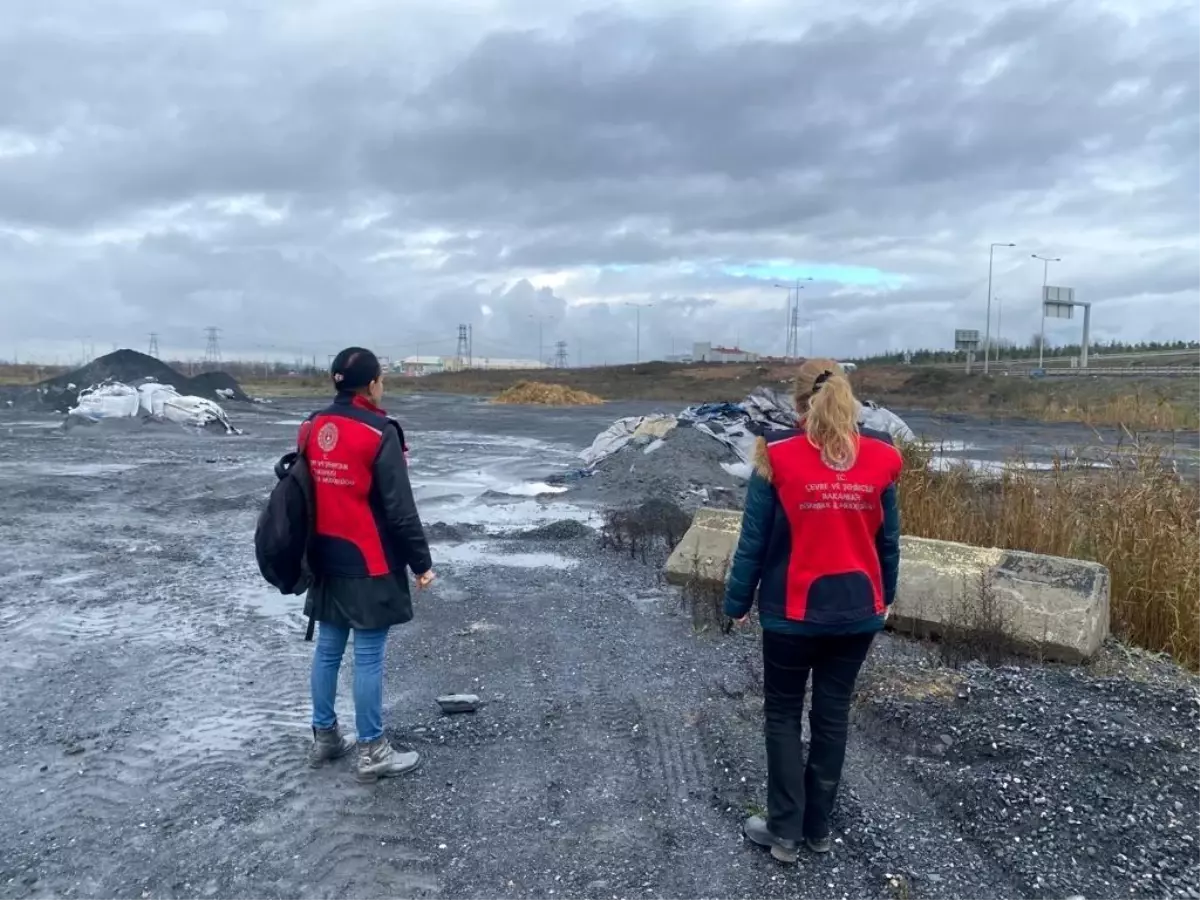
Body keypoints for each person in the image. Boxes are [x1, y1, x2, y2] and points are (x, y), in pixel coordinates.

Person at [724, 357, 902, 863]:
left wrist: (737, 602)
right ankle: (818, 828)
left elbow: (752, 541)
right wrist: (885, 596)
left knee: (782, 714)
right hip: (857, 613)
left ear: (798, 401)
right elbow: (888, 541)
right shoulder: (883, 456)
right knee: (831, 715)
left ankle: (785, 832)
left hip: (791, 615)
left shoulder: (775, 454)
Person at [299, 347, 435, 783]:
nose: (384, 387)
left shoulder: (311, 426)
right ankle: (373, 750)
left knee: (328, 649)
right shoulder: (380, 432)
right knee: (369, 655)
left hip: (322, 556)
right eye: (382, 380)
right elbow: (400, 509)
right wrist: (422, 563)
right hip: (368, 559)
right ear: (372, 384)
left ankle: (325, 737)